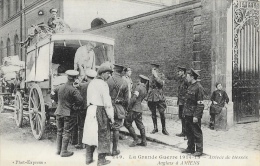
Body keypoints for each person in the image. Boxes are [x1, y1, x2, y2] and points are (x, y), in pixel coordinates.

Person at [82, 65, 114, 165]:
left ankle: (88, 158)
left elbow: (88, 98)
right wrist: (111, 117)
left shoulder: (91, 83)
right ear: (102, 73)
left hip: (90, 109)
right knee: (103, 134)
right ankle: (101, 160)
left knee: (90, 133)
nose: (109, 76)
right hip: (100, 110)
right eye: (107, 73)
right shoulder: (103, 85)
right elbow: (107, 103)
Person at [51, 70, 83, 157]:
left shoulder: (60, 87)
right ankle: (64, 151)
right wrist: (74, 106)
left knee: (59, 131)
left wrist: (58, 102)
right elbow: (80, 101)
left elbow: (52, 93)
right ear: (75, 79)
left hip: (58, 112)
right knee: (67, 131)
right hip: (68, 114)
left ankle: (58, 150)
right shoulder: (73, 90)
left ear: (67, 77)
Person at [107, 64, 129, 156]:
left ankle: (106, 150)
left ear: (114, 70)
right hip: (118, 108)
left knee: (106, 128)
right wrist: (125, 109)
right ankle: (114, 150)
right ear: (122, 71)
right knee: (116, 128)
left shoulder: (108, 80)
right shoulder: (124, 82)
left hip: (107, 107)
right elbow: (127, 99)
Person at [182, 69, 205, 156]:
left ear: (192, 77)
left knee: (196, 132)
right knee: (189, 131)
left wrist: (196, 116)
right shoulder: (190, 86)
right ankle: (190, 148)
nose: (186, 78)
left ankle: (199, 150)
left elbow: (200, 104)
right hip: (188, 113)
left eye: (187, 76)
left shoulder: (198, 87)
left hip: (194, 114)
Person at [74, 69, 97, 149]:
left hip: (83, 108)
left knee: (81, 126)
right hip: (93, 108)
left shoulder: (82, 85)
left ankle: (81, 144)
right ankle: (92, 143)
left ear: (87, 77)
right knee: (93, 126)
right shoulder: (96, 85)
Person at [125, 75, 149, 147]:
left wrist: (128, 107)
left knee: (127, 123)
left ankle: (135, 139)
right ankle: (144, 141)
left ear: (140, 80)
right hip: (139, 109)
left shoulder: (138, 87)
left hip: (134, 109)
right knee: (140, 125)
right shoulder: (145, 89)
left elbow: (134, 98)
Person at [147, 63, 169, 135]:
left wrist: (156, 76)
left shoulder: (161, 76)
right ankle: (155, 128)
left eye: (154, 69)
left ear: (157, 69)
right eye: (152, 69)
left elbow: (161, 84)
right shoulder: (150, 77)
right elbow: (148, 86)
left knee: (162, 113)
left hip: (159, 97)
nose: (152, 70)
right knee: (153, 113)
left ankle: (164, 129)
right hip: (152, 97)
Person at [176, 67, 189, 139]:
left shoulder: (186, 80)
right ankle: (183, 132)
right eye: (178, 71)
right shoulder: (180, 80)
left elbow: (189, 89)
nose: (178, 72)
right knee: (181, 116)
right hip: (180, 101)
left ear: (183, 72)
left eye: (180, 71)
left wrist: (186, 99)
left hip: (185, 101)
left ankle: (187, 133)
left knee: (185, 117)